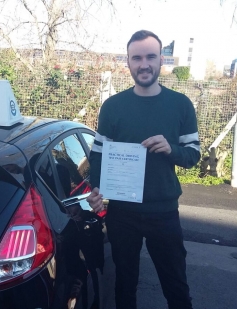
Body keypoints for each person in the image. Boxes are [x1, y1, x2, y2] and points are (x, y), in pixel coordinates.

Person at [86, 30, 200, 309]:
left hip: (164, 212)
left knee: (176, 285)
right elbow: (99, 155)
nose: (144, 64)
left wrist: (171, 149)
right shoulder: (113, 106)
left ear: (161, 60)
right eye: (136, 58)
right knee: (124, 284)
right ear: (128, 62)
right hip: (122, 213)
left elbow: (193, 155)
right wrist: (95, 190)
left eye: (150, 56)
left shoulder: (181, 104)